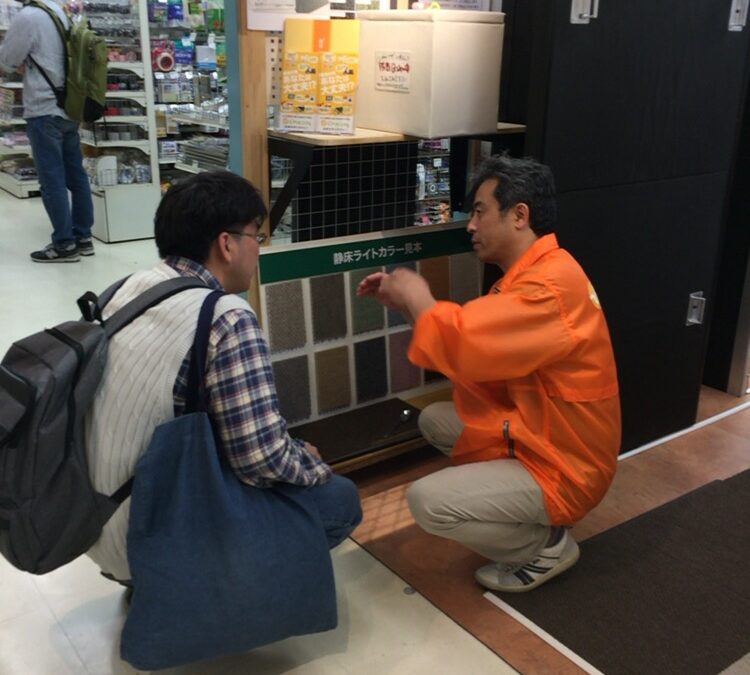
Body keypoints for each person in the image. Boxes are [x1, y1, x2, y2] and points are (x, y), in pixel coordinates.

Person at [357, 155, 621, 593]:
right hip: (543, 435)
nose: (471, 226)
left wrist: (417, 294)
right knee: (437, 419)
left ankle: (544, 546)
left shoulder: (548, 287)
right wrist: (407, 303)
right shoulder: (533, 276)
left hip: (566, 465)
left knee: (428, 502)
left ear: (519, 215)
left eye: (480, 212)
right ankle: (522, 511)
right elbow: (474, 358)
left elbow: (465, 343)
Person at [85, 170, 362, 586]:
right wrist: (312, 462)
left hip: (95, 525)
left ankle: (155, 584)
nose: (259, 249)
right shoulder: (226, 317)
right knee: (338, 501)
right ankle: (214, 592)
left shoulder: (126, 289)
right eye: (257, 236)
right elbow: (261, 459)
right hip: (150, 538)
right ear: (227, 244)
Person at [0, 0, 95, 262]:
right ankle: (83, 237)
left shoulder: (28, 16)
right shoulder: (60, 13)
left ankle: (64, 244)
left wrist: (17, 64)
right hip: (69, 106)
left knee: (51, 179)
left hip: (43, 108)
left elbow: (7, 60)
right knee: (76, 176)